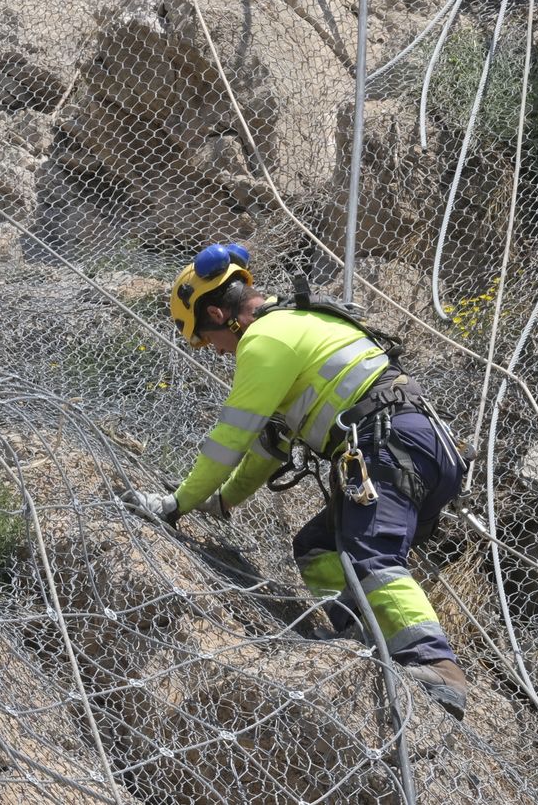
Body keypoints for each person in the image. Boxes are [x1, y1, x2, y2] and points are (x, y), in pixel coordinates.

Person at [121, 243, 471, 719]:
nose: (217, 352)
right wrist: (224, 502)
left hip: (391, 444)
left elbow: (231, 437)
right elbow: (270, 446)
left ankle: (436, 666)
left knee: (371, 552)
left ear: (222, 315)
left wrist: (177, 503)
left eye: (209, 339)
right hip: (416, 446)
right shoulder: (301, 324)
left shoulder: (266, 340)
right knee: (318, 546)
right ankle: (364, 638)